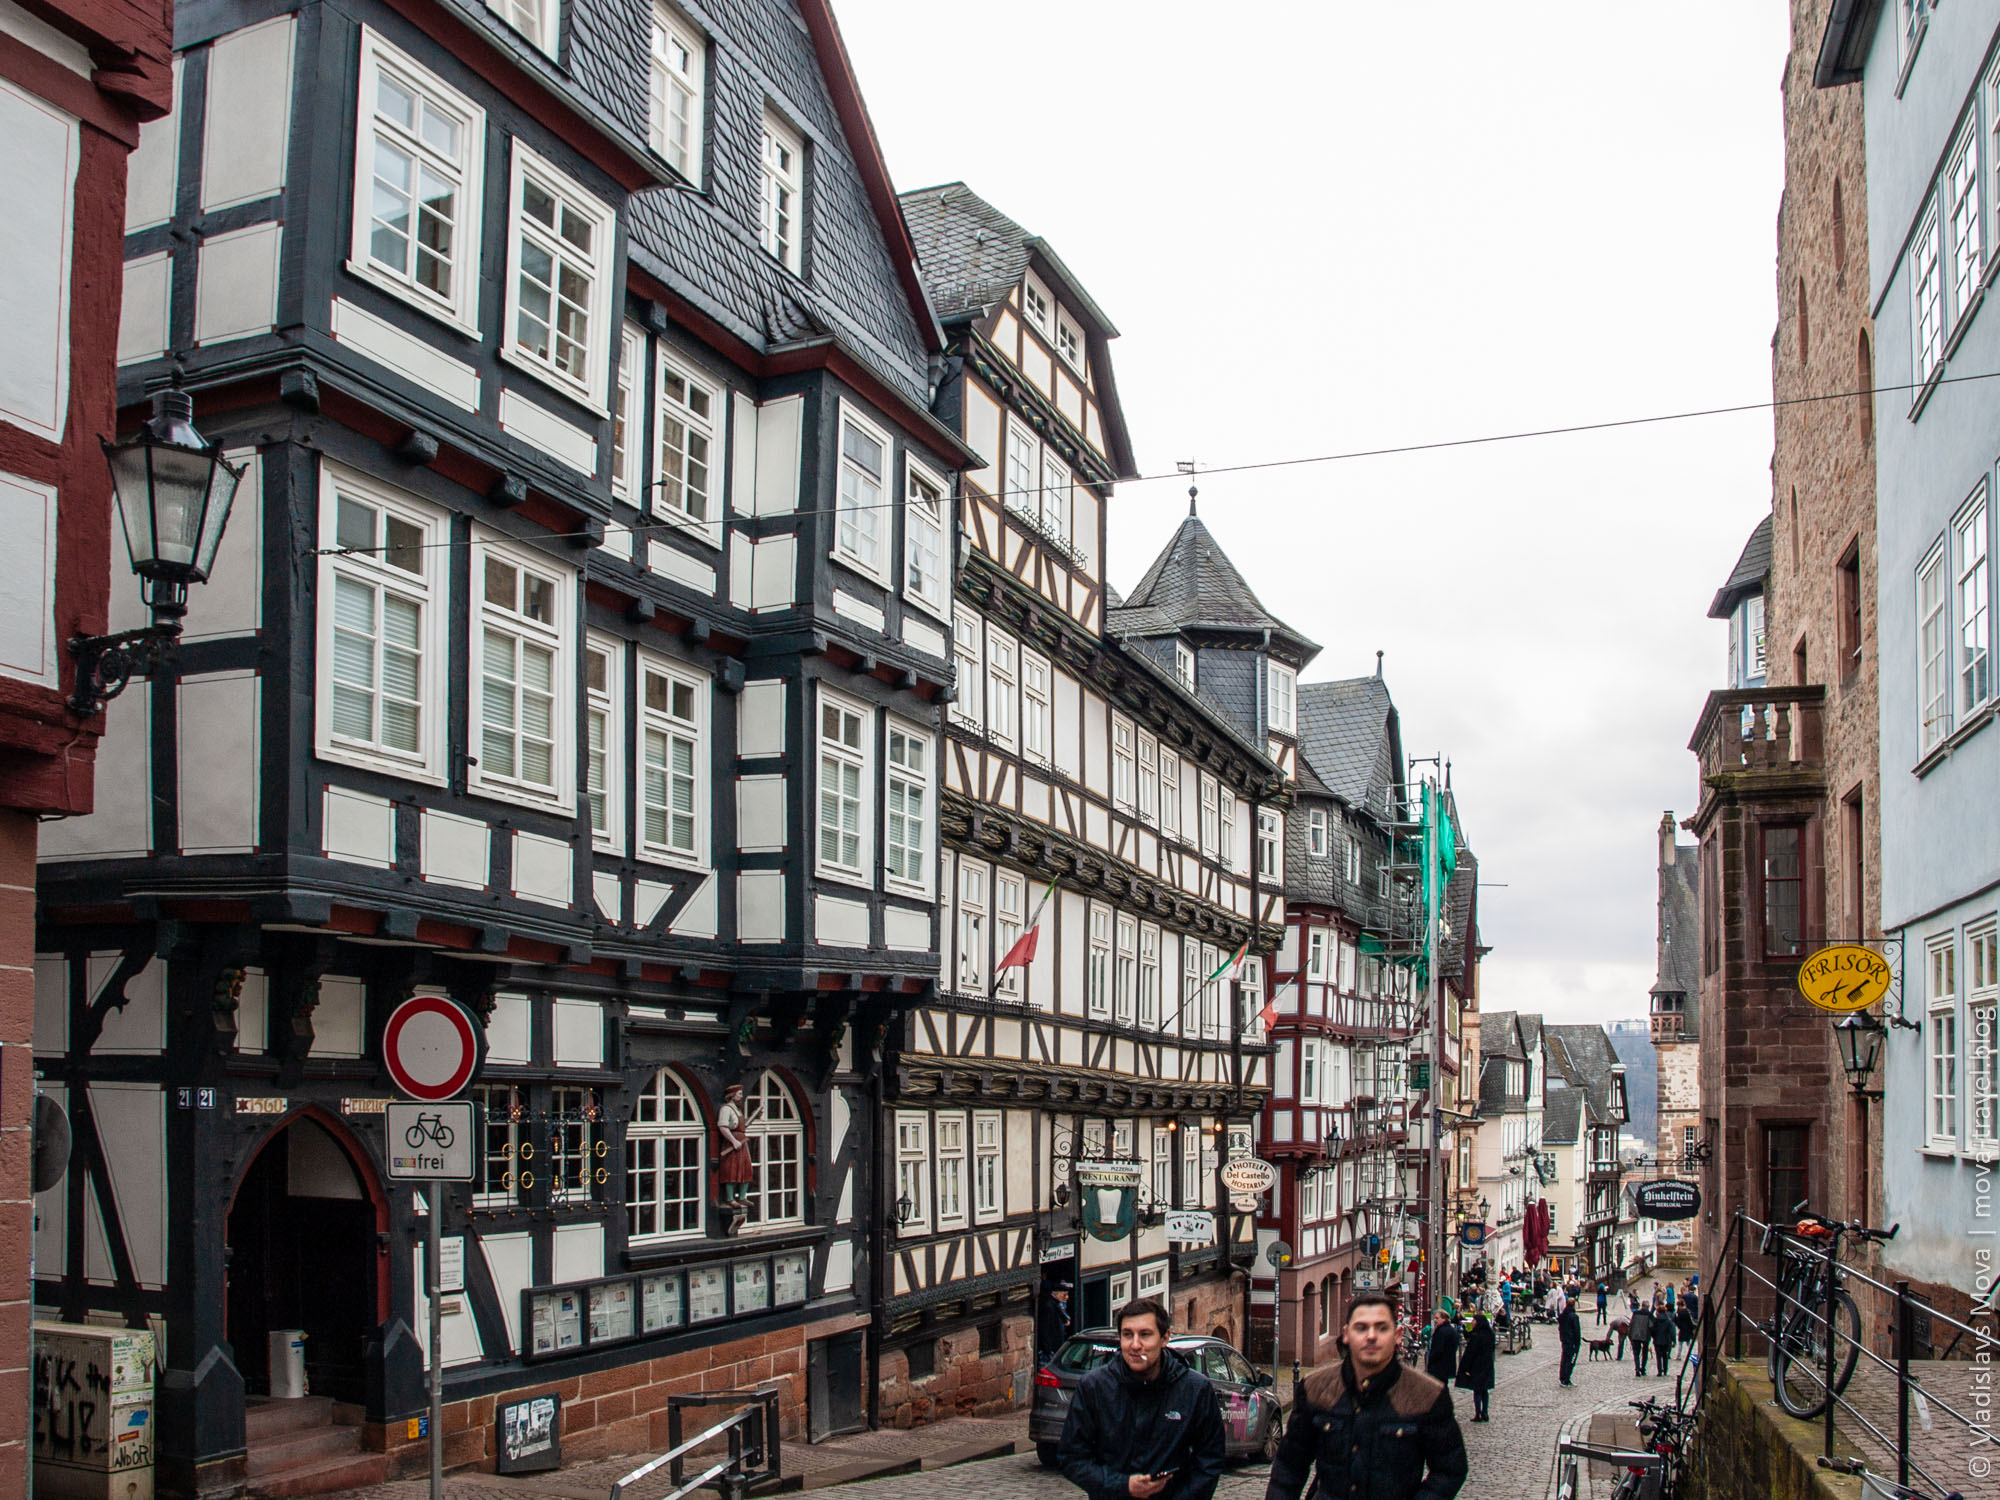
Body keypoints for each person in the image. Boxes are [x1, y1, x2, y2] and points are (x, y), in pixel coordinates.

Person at [1265, 1292, 1468, 1500]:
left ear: (1398, 1335)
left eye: (1381, 1328)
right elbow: (1289, 1465)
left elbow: (1450, 1469)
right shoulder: (1316, 1389)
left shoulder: (1427, 1395)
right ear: (1346, 1334)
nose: (1371, 1336)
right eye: (1361, 1328)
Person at [1058, 1297, 1226, 1500]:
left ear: (1165, 1338)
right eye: (1127, 1335)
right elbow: (1072, 1457)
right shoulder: (1094, 1387)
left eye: (1145, 1335)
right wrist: (1122, 1486)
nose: (1135, 1345)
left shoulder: (1195, 1389)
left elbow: (1210, 1460)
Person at [1455, 1312, 1497, 1424]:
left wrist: (1466, 1368)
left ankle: (1478, 1413)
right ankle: (1485, 1412)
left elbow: (1470, 1353)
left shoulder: (1476, 1336)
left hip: (1477, 1365)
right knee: (1484, 1390)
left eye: (1474, 1321)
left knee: (1477, 1390)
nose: (1472, 1322)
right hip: (1487, 1365)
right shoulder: (1490, 1334)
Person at [716, 1084, 753, 1207]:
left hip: (742, 1142)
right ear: (732, 1095)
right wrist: (733, 1141)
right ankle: (730, 1198)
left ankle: (742, 1197)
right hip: (733, 1142)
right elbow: (723, 1126)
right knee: (731, 1170)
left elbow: (741, 1125)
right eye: (740, 1094)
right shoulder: (726, 1109)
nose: (741, 1096)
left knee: (746, 1169)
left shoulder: (737, 1109)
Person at [1039, 1283, 1073, 1363]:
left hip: (1055, 1345)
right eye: (1064, 1294)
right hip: (1050, 1347)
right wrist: (1047, 1348)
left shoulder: (1057, 1304)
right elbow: (1045, 1328)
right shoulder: (1049, 1306)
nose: (1066, 1297)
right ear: (1057, 1293)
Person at [1425, 1310, 1461, 1385]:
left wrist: (1431, 1359)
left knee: (1438, 1386)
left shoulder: (1441, 1331)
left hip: (1439, 1366)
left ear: (1444, 1319)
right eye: (1434, 1318)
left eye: (1437, 1318)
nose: (1435, 1320)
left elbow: (1437, 1350)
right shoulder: (1452, 1330)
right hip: (1448, 1364)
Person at [1557, 1297, 1582, 1387]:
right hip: (1572, 1342)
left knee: (1564, 1359)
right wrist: (1577, 1342)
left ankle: (1562, 1378)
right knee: (1570, 1361)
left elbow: (1560, 1328)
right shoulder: (1574, 1317)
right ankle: (1566, 1379)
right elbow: (1577, 1331)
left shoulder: (1562, 1315)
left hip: (1564, 1340)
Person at [1650, 1302, 1676, 1376]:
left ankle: (1659, 1371)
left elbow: (1652, 1330)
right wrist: (1674, 1340)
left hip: (1657, 1340)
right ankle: (1665, 1370)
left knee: (1658, 1356)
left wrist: (1654, 1336)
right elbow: (1672, 1331)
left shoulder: (1655, 1320)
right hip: (1666, 1340)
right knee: (1665, 1356)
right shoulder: (1668, 1320)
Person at [1629, 1302, 1654, 1377]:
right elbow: (1651, 1326)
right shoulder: (1649, 1314)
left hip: (1635, 1335)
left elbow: (1631, 1324)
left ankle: (1637, 1368)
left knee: (1636, 1353)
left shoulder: (1635, 1313)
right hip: (1645, 1335)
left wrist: (1630, 1335)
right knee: (1645, 1353)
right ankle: (1643, 1368)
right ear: (1648, 1307)